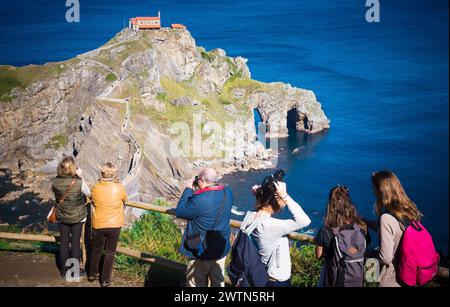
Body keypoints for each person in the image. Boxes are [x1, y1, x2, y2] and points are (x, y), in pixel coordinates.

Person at [240, 173, 311, 287]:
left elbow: (260, 210)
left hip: (258, 273)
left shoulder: (249, 216)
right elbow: (304, 221)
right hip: (275, 279)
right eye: (282, 200)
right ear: (277, 200)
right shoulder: (271, 225)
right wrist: (285, 195)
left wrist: (261, 194)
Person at [365, 170, 423, 287]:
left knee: (368, 260)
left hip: (391, 280)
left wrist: (366, 253)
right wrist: (365, 222)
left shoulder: (386, 218)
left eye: (374, 188)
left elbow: (385, 258)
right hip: (408, 276)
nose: (372, 191)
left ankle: (369, 282)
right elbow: (395, 231)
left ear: (381, 191)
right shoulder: (409, 211)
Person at [176, 168, 233, 287]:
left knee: (196, 283)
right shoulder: (227, 192)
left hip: (201, 250)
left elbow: (180, 211)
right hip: (220, 248)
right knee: (218, 282)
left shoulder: (200, 199)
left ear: (201, 180)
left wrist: (188, 189)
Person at [315, 185, 369, 287]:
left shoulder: (325, 230)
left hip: (332, 278)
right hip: (357, 277)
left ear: (330, 204)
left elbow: (318, 256)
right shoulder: (360, 227)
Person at [88, 162, 127, 287]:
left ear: (102, 173)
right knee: (110, 252)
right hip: (115, 224)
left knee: (96, 249)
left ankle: (92, 274)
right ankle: (105, 280)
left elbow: (92, 199)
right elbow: (125, 199)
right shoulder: (119, 187)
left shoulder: (95, 187)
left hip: (99, 223)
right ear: (114, 173)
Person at [52, 156, 90, 279]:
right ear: (73, 168)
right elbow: (88, 193)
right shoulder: (78, 181)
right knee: (74, 243)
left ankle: (64, 271)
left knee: (63, 243)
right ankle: (74, 272)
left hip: (62, 216)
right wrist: (79, 176)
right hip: (77, 216)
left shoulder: (55, 181)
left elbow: (57, 194)